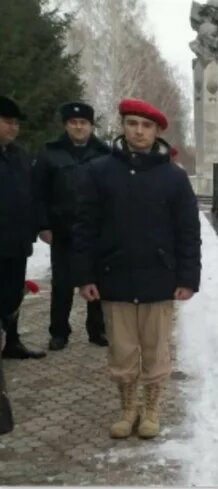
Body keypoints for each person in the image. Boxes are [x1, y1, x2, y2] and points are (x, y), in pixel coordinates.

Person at [72, 98, 201, 440]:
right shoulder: (99, 171)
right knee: (122, 350)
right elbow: (85, 226)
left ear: (157, 131)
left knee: (156, 350)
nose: (139, 131)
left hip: (159, 278)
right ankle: (127, 409)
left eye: (146, 126)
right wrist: (85, 275)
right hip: (115, 278)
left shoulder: (173, 177)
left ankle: (152, 409)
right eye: (132, 124)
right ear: (123, 127)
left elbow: (188, 230)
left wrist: (187, 277)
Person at [35, 101, 111, 351]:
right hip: (62, 230)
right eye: (73, 123)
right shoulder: (50, 153)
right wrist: (43, 226)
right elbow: (39, 193)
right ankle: (59, 332)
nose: (79, 127)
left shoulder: (104, 153)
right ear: (66, 125)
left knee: (97, 281)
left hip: (95, 231)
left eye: (84, 123)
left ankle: (97, 330)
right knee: (62, 284)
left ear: (91, 126)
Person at [0, 96, 46, 360]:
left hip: (16, 243)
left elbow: (32, 194)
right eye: (7, 122)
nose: (13, 127)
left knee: (13, 296)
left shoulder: (19, 155)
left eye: (16, 123)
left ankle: (11, 341)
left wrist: (36, 227)